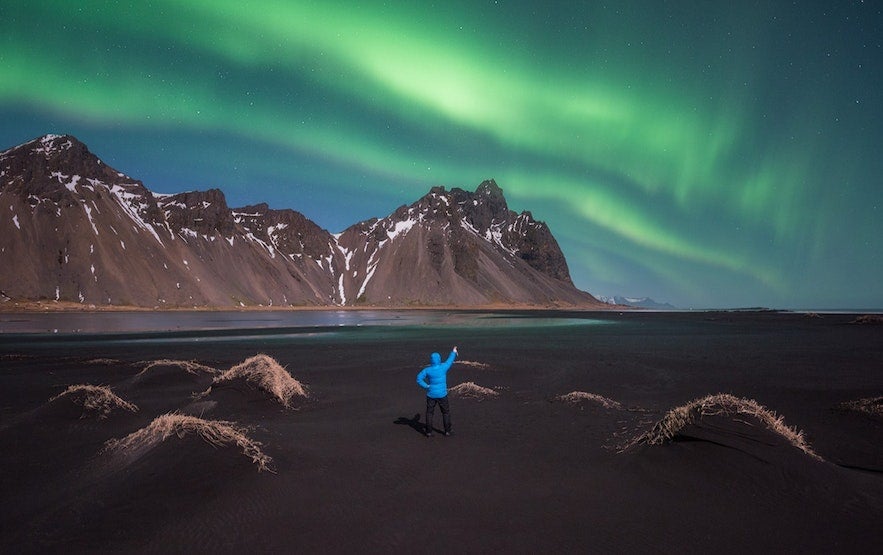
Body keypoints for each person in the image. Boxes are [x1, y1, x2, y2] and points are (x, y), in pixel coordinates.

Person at [416, 346, 458, 437]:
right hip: (442, 395)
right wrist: (454, 352)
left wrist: (426, 386)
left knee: (430, 413)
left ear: (431, 360)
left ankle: (428, 432)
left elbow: (418, 379)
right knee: (445, 412)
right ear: (439, 359)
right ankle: (447, 431)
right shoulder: (443, 367)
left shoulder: (427, 370)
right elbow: (449, 361)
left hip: (431, 394)